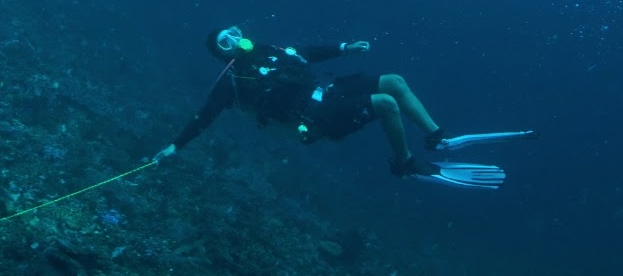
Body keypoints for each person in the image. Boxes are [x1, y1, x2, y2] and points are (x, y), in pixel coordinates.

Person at [153, 25, 532, 188]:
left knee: (394, 81)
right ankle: (405, 164)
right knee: (386, 103)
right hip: (312, 118)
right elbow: (204, 116)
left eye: (234, 32)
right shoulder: (233, 82)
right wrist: (174, 146)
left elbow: (305, 53)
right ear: (221, 54)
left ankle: (436, 137)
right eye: (226, 41)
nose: (236, 40)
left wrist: (343, 48)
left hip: (324, 95)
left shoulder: (269, 50)